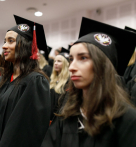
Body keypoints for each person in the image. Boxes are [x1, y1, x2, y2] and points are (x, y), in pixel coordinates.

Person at [41, 17, 136, 147]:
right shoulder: (68, 110)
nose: (71, 67)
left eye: (83, 58)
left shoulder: (127, 120)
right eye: (71, 59)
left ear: (103, 65)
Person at [0, 15, 51, 147]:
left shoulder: (35, 81)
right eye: (4, 41)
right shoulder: (2, 82)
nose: (4, 46)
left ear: (24, 46)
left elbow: (25, 132)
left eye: (10, 41)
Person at [49, 48, 70, 120]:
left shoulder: (68, 81)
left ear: (65, 64)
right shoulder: (53, 79)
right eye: (55, 61)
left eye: (59, 61)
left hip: (59, 117)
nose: (55, 63)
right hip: (49, 116)